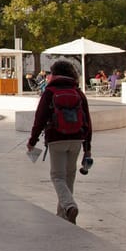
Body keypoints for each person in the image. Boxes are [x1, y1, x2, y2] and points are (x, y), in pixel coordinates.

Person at [26, 60, 92, 224]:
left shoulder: (50, 91)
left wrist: (32, 141)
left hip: (56, 138)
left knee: (57, 176)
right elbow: (87, 121)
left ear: (54, 74)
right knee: (69, 175)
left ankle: (69, 206)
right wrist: (87, 148)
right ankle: (63, 216)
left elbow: (39, 118)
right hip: (76, 138)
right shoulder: (77, 92)